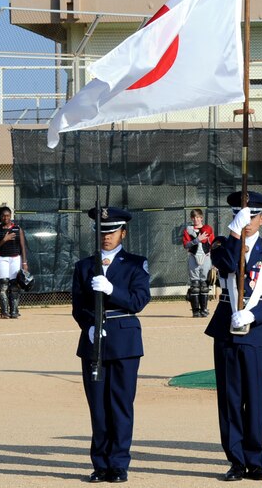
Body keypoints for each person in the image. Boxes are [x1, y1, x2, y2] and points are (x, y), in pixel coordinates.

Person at [205, 191, 262, 482]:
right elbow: (227, 264)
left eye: (253, 215)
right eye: (242, 215)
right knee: (230, 399)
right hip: (226, 330)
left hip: (256, 333)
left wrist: (254, 315)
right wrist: (234, 233)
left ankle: (256, 460)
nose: (247, 220)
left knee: (254, 398)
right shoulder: (221, 244)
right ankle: (236, 461)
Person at [72, 207, 151, 484]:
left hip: (124, 341)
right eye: (102, 232)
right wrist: (89, 326)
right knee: (98, 407)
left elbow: (138, 301)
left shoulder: (135, 264)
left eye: (112, 232)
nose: (106, 237)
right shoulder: (84, 266)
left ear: (123, 233)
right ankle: (100, 464)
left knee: (120, 405)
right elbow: (78, 307)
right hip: (94, 342)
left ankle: (118, 464)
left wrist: (111, 290)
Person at [0, 206, 28, 319]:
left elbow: (22, 246)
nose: (6, 218)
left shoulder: (17, 229)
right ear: (0, 217)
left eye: (8, 215)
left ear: (10, 216)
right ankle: (4, 311)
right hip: (1, 258)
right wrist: (5, 239)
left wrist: (24, 262)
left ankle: (14, 311)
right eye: (3, 216)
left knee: (14, 285)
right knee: (3, 285)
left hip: (15, 258)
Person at [182, 208, 215, 317]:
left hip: (206, 257)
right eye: (194, 217)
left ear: (201, 218)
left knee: (204, 284)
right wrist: (197, 239)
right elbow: (186, 245)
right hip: (193, 257)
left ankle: (204, 309)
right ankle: (196, 310)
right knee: (195, 285)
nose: (196, 219)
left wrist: (214, 262)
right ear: (192, 218)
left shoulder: (208, 229)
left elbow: (212, 244)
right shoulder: (188, 230)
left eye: (198, 217)